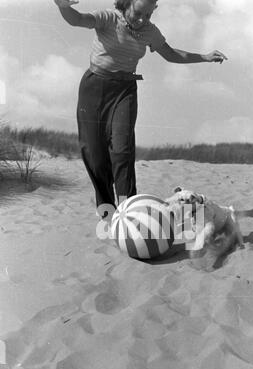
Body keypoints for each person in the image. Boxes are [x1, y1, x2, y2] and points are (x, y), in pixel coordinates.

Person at [54, 0, 227, 221]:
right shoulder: (109, 18)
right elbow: (77, 19)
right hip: (94, 88)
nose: (143, 20)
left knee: (122, 150)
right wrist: (63, 6)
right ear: (126, 4)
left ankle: (129, 210)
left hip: (124, 91)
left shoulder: (149, 31)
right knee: (95, 155)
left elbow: (171, 54)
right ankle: (108, 213)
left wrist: (203, 57)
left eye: (149, 14)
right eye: (138, 13)